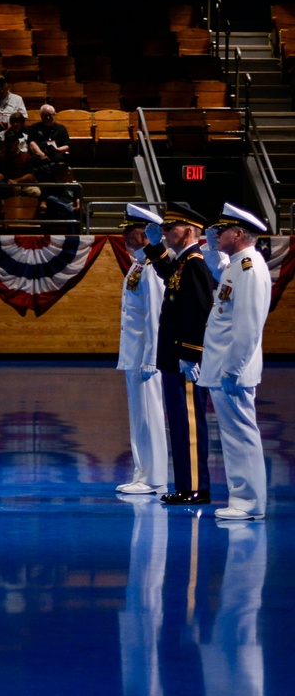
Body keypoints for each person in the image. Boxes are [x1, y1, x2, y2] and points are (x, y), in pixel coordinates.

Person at [197, 203, 271, 521]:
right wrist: (211, 248)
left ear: (239, 233)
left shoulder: (250, 268)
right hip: (224, 366)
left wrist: (233, 368)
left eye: (222, 230)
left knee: (241, 433)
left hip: (233, 368)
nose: (217, 234)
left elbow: (248, 325)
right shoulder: (237, 264)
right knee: (232, 435)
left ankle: (250, 501)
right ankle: (242, 497)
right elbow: (218, 272)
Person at [143, 202, 216, 505]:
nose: (166, 232)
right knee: (180, 424)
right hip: (174, 357)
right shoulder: (184, 261)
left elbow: (198, 311)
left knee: (189, 426)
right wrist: (156, 248)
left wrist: (190, 354)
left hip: (184, 359)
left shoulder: (196, 263)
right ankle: (186, 485)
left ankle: (196, 487)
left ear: (187, 231)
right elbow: (170, 277)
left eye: (170, 229)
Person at [115, 204, 169, 496]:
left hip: (147, 356)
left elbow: (156, 316)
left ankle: (156, 477)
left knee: (150, 416)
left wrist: (152, 358)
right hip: (134, 353)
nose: (126, 236)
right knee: (139, 417)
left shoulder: (152, 268)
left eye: (131, 231)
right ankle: (142, 473)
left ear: (147, 234)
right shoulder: (139, 264)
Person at [0, 131, 38, 198]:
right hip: (7, 184)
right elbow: (0, 174)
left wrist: (17, 181)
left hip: (23, 183)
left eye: (12, 142)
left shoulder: (25, 156)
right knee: (10, 189)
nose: (10, 144)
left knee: (36, 191)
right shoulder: (0, 157)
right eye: (8, 142)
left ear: (17, 142)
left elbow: (31, 176)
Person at [27, 104, 70, 182]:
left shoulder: (61, 128)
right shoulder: (35, 127)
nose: (48, 118)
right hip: (40, 154)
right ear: (41, 116)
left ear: (54, 115)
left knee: (60, 162)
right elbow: (32, 143)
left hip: (56, 154)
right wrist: (41, 154)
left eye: (50, 115)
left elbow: (67, 145)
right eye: (45, 115)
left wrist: (57, 149)